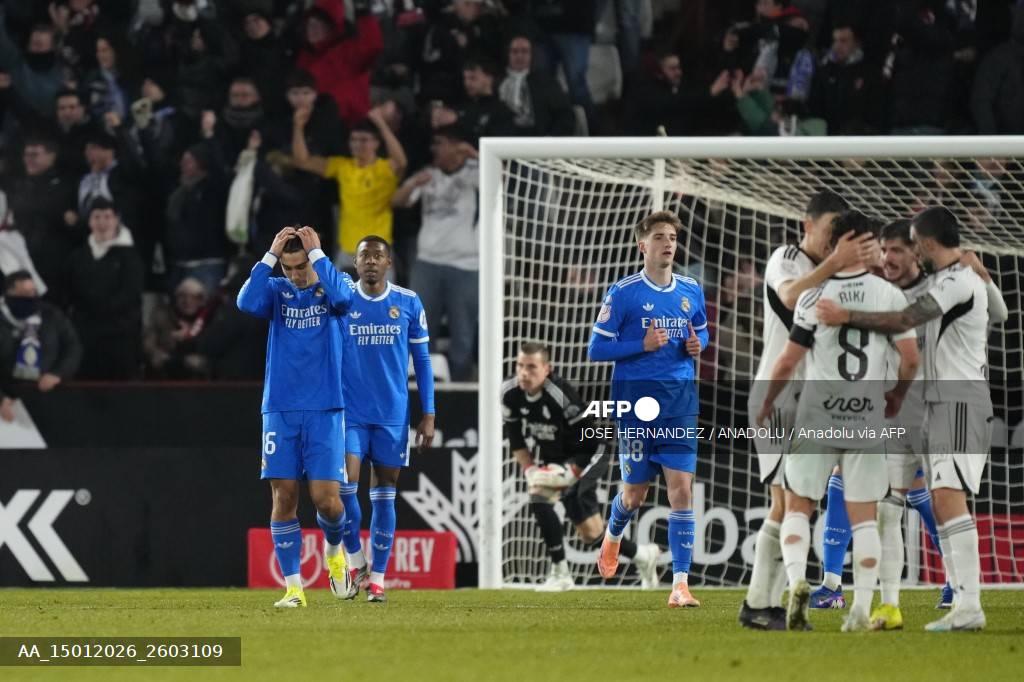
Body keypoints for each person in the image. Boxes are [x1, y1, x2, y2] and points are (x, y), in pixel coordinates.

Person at [815, 207, 1004, 632]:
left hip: (951, 402)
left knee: (946, 501)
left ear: (923, 250)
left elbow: (989, 315)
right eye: (885, 249)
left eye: (902, 247)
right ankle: (891, 604)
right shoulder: (903, 284)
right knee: (889, 506)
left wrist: (987, 278)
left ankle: (966, 599)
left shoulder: (950, 282)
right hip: (902, 411)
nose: (891, 256)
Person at [756, 210, 920, 632]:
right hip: (865, 417)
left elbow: (788, 360)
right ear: (863, 244)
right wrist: (897, 395)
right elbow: (911, 359)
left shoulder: (815, 297)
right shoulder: (890, 297)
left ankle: (796, 582)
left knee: (797, 505)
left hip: (817, 417)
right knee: (865, 516)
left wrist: (768, 400)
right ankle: (862, 610)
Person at [740, 191, 875, 630]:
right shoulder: (787, 258)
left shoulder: (836, 276)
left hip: (812, 402)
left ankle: (770, 603)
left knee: (797, 504)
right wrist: (837, 262)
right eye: (830, 231)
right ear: (808, 226)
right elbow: (788, 297)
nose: (836, 241)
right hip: (777, 397)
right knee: (784, 503)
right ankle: (759, 604)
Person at [587, 210, 710, 608]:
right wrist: (642, 345)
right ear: (643, 245)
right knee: (635, 495)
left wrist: (698, 346)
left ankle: (679, 585)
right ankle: (613, 534)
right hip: (636, 408)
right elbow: (597, 348)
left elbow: (701, 329)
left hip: (680, 405)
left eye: (672, 236)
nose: (668, 243)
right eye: (659, 236)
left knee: (682, 492)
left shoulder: (691, 288)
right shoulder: (623, 293)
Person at [236, 226, 355, 607]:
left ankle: (334, 552)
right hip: (280, 408)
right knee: (283, 496)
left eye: (301, 266)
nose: (296, 275)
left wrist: (319, 256)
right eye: (288, 269)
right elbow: (245, 302)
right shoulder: (275, 291)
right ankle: (293, 588)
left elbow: (344, 299)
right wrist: (269, 256)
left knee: (326, 501)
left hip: (325, 408)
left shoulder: (333, 285)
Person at [503, 342, 661, 591]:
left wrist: (571, 472)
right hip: (557, 459)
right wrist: (530, 470)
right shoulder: (510, 394)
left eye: (531, 367)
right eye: (520, 366)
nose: (524, 373)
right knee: (586, 530)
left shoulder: (560, 395)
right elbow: (515, 438)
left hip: (590, 455)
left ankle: (562, 574)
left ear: (547, 369)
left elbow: (590, 439)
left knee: (561, 510)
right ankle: (642, 555)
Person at [331, 232, 435, 603]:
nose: (371, 261)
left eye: (378, 255)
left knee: (384, 498)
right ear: (356, 263)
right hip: (351, 414)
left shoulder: (408, 302)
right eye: (364, 256)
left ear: (388, 262)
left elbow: (422, 362)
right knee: (343, 490)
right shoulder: (342, 302)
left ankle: (377, 578)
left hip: (392, 415)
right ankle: (356, 559)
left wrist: (429, 414)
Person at [391, 125, 478, 382]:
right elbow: (397, 200)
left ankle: (462, 392)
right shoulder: (427, 174)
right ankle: (423, 389)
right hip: (427, 263)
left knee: (462, 334)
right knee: (419, 328)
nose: (434, 149)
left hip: (466, 266)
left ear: (456, 146)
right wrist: (411, 186)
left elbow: (506, 184)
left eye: (440, 143)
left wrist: (474, 154)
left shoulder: (478, 172)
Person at [291, 104, 407, 269]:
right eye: (354, 140)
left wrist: (380, 123)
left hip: (377, 251)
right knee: (340, 295)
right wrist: (298, 126)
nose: (358, 144)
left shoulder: (385, 168)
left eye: (364, 140)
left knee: (380, 296)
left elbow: (401, 162)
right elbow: (302, 161)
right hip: (346, 251)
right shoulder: (343, 167)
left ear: (376, 143)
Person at [65, 198, 144, 380]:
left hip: (120, 335)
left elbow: (131, 293)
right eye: (97, 217)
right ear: (89, 221)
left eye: (107, 217)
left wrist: (103, 309)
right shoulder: (78, 256)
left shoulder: (129, 256)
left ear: (116, 220)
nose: (102, 222)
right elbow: (69, 290)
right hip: (86, 334)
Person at [0, 271, 81, 423]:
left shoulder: (51, 314)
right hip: (7, 400)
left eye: (34, 292)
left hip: (46, 395)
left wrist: (58, 373)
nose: (31, 298)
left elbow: (72, 346)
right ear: (9, 294)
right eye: (24, 294)